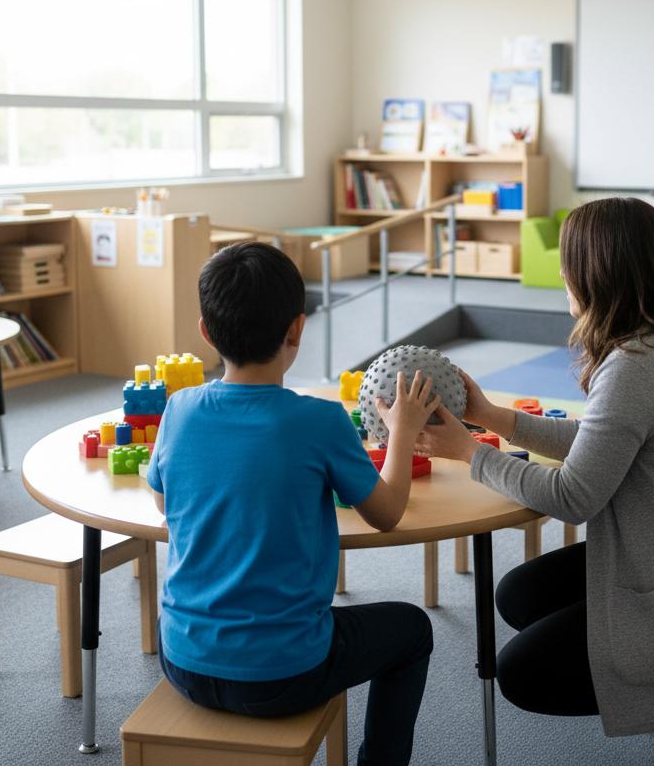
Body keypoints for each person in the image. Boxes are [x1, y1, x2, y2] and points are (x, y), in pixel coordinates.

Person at [416, 197, 654, 766]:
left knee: (521, 674)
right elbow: (602, 443)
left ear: (599, 273)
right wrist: (491, 417)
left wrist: (469, 453)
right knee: (519, 595)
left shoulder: (637, 363)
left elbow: (573, 496)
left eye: (570, 264)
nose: (562, 275)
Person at [146, 242, 438, 766]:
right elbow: (387, 513)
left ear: (206, 332)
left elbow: (162, 502)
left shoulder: (179, 408)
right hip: (282, 675)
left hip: (181, 660)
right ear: (297, 330)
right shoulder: (318, 421)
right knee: (413, 630)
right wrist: (402, 432)